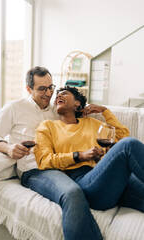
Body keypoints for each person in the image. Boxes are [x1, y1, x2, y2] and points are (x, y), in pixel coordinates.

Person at [21, 86, 144, 240]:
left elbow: (121, 135)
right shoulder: (48, 126)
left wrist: (104, 111)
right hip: (85, 182)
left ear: (77, 104)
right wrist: (79, 155)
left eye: (64, 93)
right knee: (129, 145)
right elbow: (44, 161)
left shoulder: (91, 123)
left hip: (109, 178)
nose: (58, 95)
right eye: (57, 94)